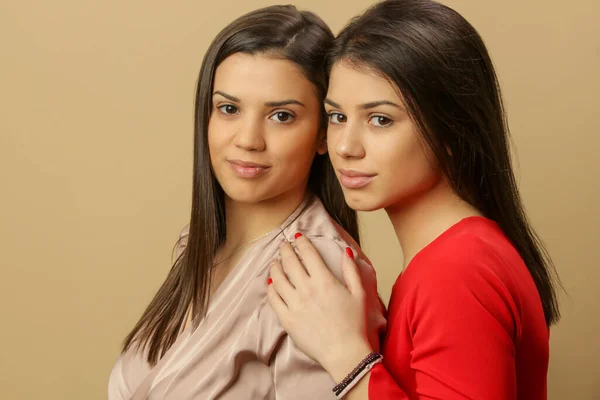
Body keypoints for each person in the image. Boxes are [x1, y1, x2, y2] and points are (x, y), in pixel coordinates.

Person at [267, 1, 561, 399]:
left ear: (452, 130)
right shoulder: (458, 256)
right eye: (337, 117)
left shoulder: (459, 268)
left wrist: (345, 354)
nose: (345, 147)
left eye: (381, 119)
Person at [108, 5, 385, 399]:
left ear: (324, 133)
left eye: (282, 116)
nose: (248, 139)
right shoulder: (201, 246)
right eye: (229, 109)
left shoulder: (318, 274)